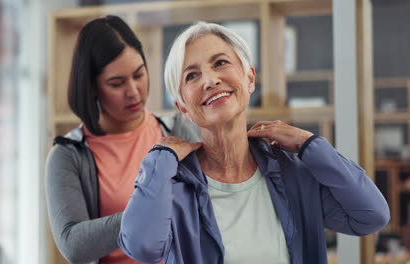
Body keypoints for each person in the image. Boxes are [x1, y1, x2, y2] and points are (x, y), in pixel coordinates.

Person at [118, 21, 390, 264]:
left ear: (249, 78)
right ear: (183, 107)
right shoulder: (174, 186)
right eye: (192, 75)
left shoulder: (293, 174)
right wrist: (161, 157)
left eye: (221, 63)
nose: (211, 80)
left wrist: (310, 144)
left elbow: (371, 215)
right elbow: (142, 247)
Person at [45, 15, 199, 264]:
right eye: (117, 83)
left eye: (139, 75)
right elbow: (73, 245)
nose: (134, 91)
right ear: (92, 87)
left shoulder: (179, 130)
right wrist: (147, 207)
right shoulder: (68, 155)